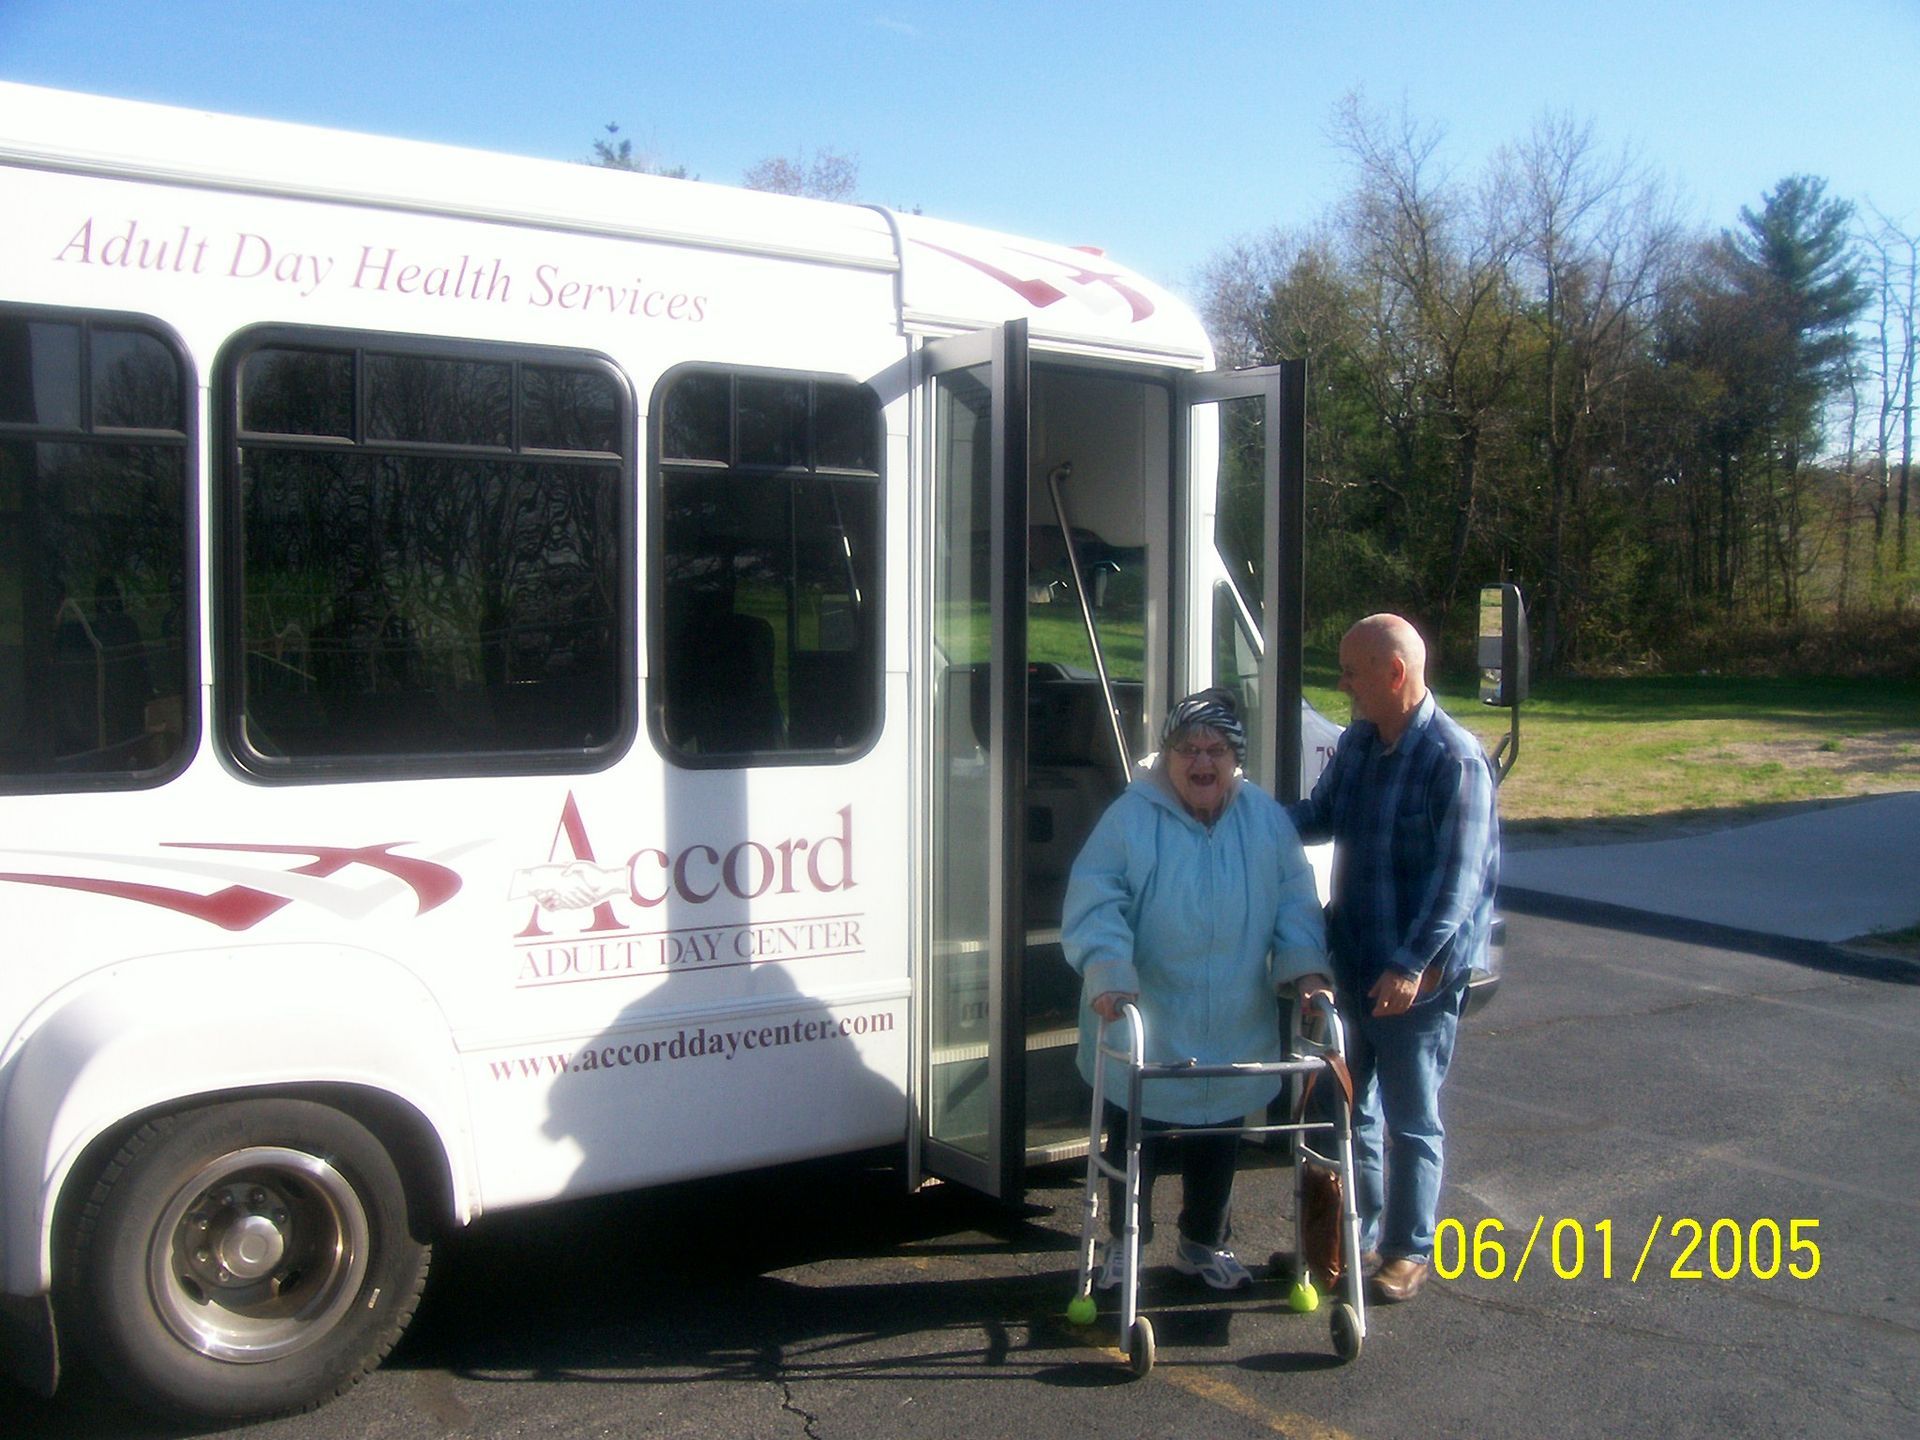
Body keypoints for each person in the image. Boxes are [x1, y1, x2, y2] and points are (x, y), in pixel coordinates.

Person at [1062, 688, 1330, 1291]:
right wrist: (1107, 972)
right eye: (1187, 749)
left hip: (1234, 1012)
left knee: (1218, 1137)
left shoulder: (1264, 819)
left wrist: (1308, 971)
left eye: (1215, 750)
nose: (1201, 762)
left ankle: (1203, 1243)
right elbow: (1096, 899)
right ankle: (1125, 1245)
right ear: (1167, 756)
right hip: (1145, 1012)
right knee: (1137, 1135)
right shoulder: (1130, 817)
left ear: (1236, 758)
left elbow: (1294, 900)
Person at [1289, 614, 1499, 1304]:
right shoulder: (1356, 745)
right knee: (1343, 1113)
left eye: (1351, 672)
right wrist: (1237, 811)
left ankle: (1408, 1251)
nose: (1342, 685)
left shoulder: (1454, 760)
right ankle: (1354, 1238)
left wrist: (1412, 966)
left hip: (1419, 979)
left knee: (1411, 1118)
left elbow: (1458, 886)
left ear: (1395, 673)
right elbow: (1317, 819)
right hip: (1351, 964)